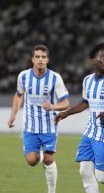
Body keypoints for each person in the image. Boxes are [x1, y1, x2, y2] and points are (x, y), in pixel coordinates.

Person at [54, 43, 104, 193]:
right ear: (93, 60)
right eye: (103, 57)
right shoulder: (87, 80)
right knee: (84, 170)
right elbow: (85, 102)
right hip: (90, 132)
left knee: (103, 177)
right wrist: (65, 113)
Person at [7, 44, 70, 193]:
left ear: (47, 60)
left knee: (49, 160)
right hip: (30, 127)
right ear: (32, 60)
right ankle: (40, 155)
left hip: (49, 126)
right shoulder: (23, 76)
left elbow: (66, 103)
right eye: (37, 57)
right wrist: (12, 115)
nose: (40, 60)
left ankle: (52, 191)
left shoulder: (55, 78)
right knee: (31, 161)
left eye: (43, 57)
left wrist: (53, 107)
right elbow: (18, 95)